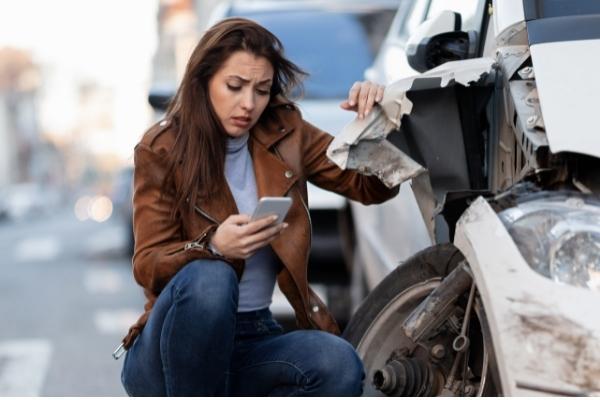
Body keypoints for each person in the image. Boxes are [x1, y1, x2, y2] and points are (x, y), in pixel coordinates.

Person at [118, 17, 399, 396]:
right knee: (211, 278)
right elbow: (148, 263)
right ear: (203, 82)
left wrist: (376, 124)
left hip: (253, 337)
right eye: (234, 87)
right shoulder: (162, 147)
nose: (248, 104)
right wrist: (215, 246)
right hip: (170, 350)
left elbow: (370, 188)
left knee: (338, 362)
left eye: (262, 90)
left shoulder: (285, 131)